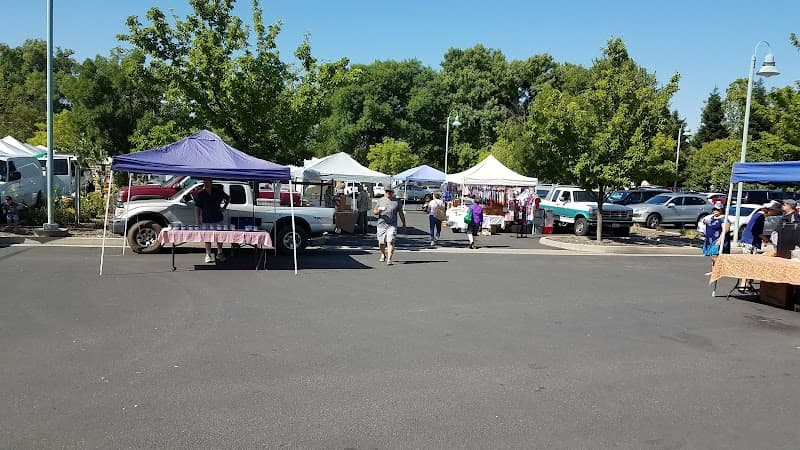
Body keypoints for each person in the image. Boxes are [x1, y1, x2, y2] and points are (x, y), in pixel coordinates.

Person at [194, 178, 230, 263]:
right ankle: (208, 254)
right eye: (204, 182)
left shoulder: (218, 191)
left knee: (219, 237)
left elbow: (228, 198)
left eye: (207, 182)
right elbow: (197, 207)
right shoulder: (201, 194)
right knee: (207, 237)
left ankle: (220, 253)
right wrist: (197, 219)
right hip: (206, 219)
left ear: (211, 182)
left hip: (218, 218)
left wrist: (224, 207)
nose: (206, 184)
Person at [372, 187, 406, 265]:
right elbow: (375, 212)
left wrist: (404, 223)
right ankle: (383, 254)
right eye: (387, 192)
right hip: (381, 224)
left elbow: (400, 213)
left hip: (392, 225)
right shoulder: (381, 200)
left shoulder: (397, 201)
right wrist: (379, 211)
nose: (388, 193)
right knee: (381, 243)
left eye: (390, 192)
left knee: (390, 241)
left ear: (392, 192)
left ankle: (389, 258)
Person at [701, 202, 731, 274]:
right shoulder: (712, 217)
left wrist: (719, 241)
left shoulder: (724, 219)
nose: (715, 211)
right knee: (712, 255)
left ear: (721, 210)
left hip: (717, 240)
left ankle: (722, 270)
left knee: (715, 255)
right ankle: (714, 271)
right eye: (714, 209)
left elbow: (725, 230)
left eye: (717, 209)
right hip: (710, 239)